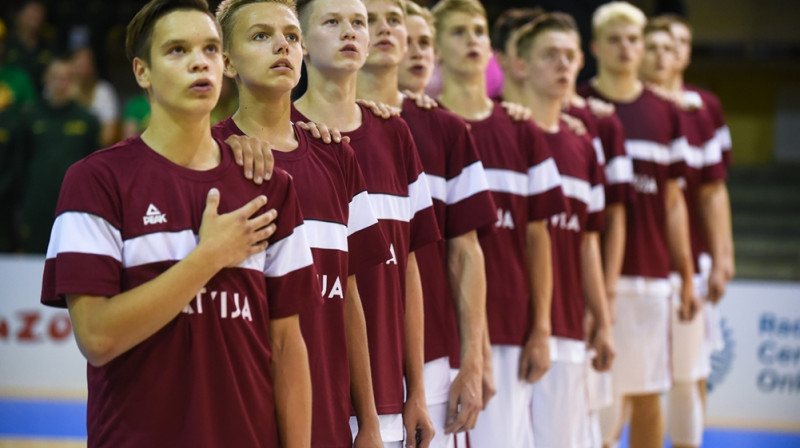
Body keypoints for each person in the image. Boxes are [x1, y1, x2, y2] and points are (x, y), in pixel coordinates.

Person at [40, 1, 320, 446]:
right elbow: (97, 336)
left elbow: (287, 347)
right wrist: (207, 259)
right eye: (176, 50)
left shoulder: (270, 186)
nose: (198, 61)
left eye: (210, 48)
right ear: (141, 72)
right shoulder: (95, 180)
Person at [212, 0, 392, 446]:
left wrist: (368, 418)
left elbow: (349, 295)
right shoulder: (208, 157)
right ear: (227, 62)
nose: (282, 47)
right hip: (236, 417)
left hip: (328, 418)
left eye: (291, 37)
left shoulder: (336, 155)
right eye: (261, 36)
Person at [293, 0, 442, 446]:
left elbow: (408, 273)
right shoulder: (274, 142)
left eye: (359, 22)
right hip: (308, 393)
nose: (351, 32)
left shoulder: (396, 134)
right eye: (332, 22)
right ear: (300, 42)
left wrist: (415, 389)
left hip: (387, 399)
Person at [430, 1, 567, 446]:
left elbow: (538, 237)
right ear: (435, 48)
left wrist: (542, 328)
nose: (472, 40)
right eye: (458, 32)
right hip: (439, 330)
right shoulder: (420, 128)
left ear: (491, 44)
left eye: (478, 31)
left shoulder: (521, 130)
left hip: (511, 325)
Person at [576, 3, 698, 447]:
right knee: (597, 402)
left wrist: (685, 275)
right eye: (616, 39)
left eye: (634, 39)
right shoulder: (577, 106)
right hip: (585, 277)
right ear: (595, 47)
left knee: (648, 396)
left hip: (649, 275)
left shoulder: (666, 113)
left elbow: (674, 203)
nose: (627, 48)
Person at [392, 1, 499, 445]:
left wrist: (477, 358)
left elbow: (465, 251)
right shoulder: (317, 132)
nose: (415, 52)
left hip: (436, 350)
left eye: (424, 43)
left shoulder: (446, 130)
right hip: (347, 355)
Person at [511, 12, 616, 447]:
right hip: (507, 332)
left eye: (569, 56)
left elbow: (590, 241)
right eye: (549, 55)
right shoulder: (497, 133)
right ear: (522, 63)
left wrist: (604, 320)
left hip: (570, 328)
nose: (562, 64)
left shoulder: (583, 145)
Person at [643, 16, 734, 448]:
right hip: (637, 267)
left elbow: (713, 192)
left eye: (678, 43)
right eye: (658, 44)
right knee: (635, 383)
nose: (668, 52)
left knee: (688, 372)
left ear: (688, 51)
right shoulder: (617, 106)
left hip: (689, 265)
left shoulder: (705, 108)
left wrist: (724, 257)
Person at [18, 55, 100, 253]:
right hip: (37, 204)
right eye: (56, 77)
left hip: (73, 206)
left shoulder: (87, 119)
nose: (61, 83)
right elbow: (20, 161)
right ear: (46, 79)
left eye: (67, 78)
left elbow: (95, 167)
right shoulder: (30, 116)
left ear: (74, 81)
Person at [71, 47, 121, 147]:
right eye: (79, 66)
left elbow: (108, 136)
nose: (82, 71)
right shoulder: (63, 90)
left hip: (94, 150)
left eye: (86, 65)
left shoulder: (104, 91)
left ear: (93, 67)